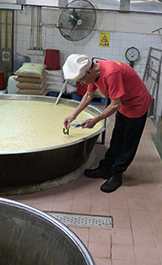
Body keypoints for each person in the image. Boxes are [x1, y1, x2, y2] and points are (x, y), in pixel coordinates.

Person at [63, 54, 152, 193]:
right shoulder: (93, 72)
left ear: (88, 73)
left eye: (81, 81)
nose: (82, 84)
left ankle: (117, 175)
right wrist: (73, 115)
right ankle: (105, 169)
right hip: (124, 106)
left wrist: (94, 120)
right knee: (117, 138)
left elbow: (115, 105)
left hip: (137, 105)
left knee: (128, 143)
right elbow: (88, 95)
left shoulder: (111, 73)